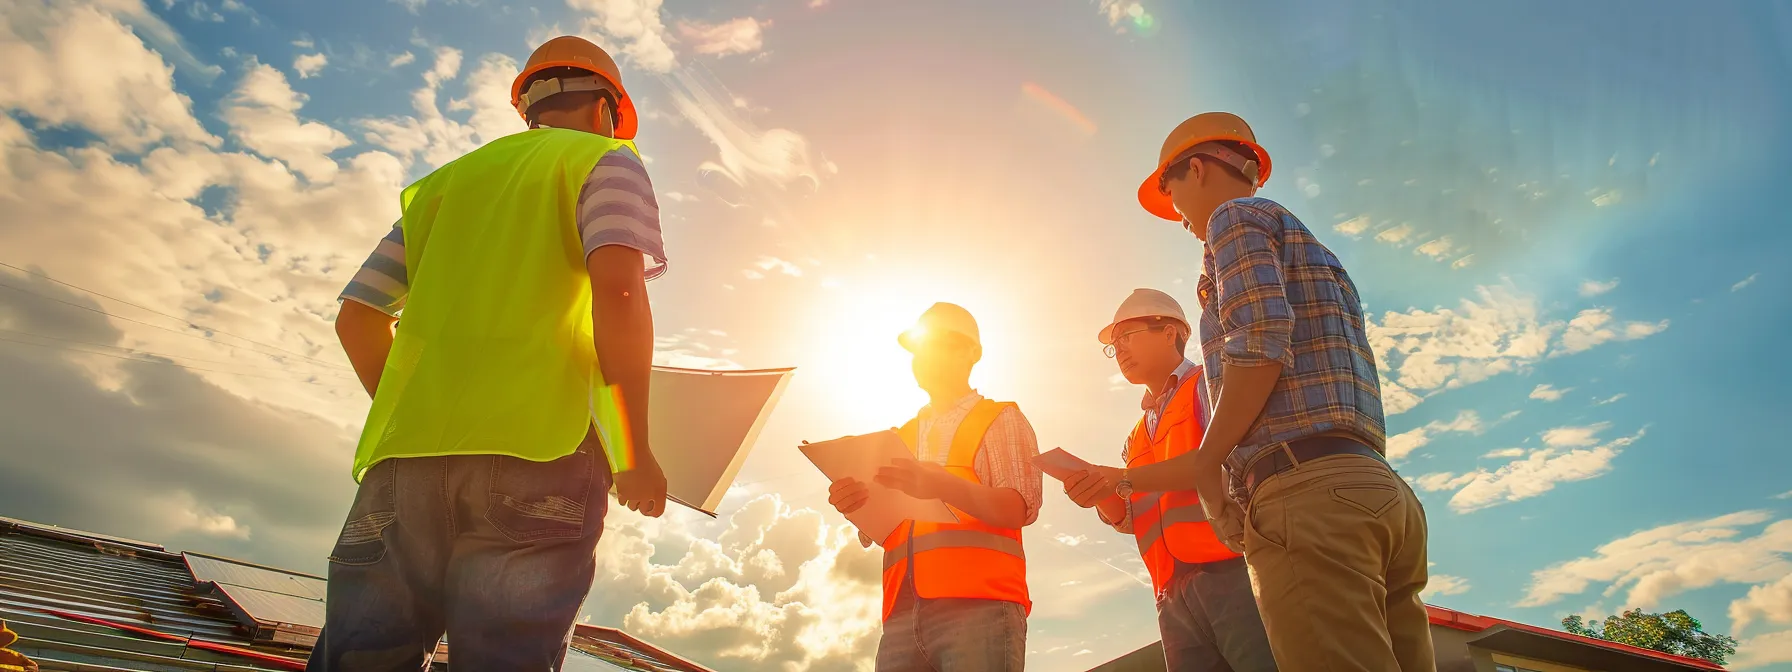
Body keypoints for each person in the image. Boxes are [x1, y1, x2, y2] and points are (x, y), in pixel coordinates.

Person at [312, 36, 670, 671]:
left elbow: (357, 319)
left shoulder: (446, 185)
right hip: (542, 454)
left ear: (528, 106)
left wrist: (421, 414)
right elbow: (618, 295)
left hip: (404, 466)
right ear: (607, 110)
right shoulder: (605, 161)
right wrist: (632, 451)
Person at [1084, 112, 1435, 672]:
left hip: (1306, 496)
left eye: (1171, 194)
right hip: (1376, 489)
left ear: (1195, 169)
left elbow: (1261, 338)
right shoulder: (1315, 251)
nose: (1177, 216)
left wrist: (1208, 464)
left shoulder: (1233, 219)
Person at [1062, 288, 1275, 671]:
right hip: (1170, 592)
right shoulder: (1136, 435)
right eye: (1114, 344)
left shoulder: (1207, 385)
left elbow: (1222, 459)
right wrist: (1100, 494)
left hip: (1232, 570)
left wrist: (1122, 478)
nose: (1120, 350)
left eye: (1127, 336)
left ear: (1170, 331)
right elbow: (1132, 516)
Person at [827, 302, 1044, 671]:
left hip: (980, 605)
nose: (924, 357)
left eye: (937, 345)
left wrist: (940, 484)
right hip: (901, 611)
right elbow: (886, 529)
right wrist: (856, 505)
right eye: (919, 349)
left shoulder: (1000, 419)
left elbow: (1018, 508)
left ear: (971, 352)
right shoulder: (899, 437)